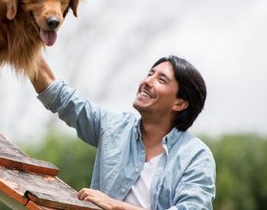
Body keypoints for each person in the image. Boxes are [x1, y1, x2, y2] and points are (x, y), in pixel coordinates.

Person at [29, 55, 216, 210]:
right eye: (149, 74)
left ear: (180, 103)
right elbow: (60, 97)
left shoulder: (196, 156)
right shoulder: (114, 128)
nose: (147, 82)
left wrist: (116, 206)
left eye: (161, 80)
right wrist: (23, 42)